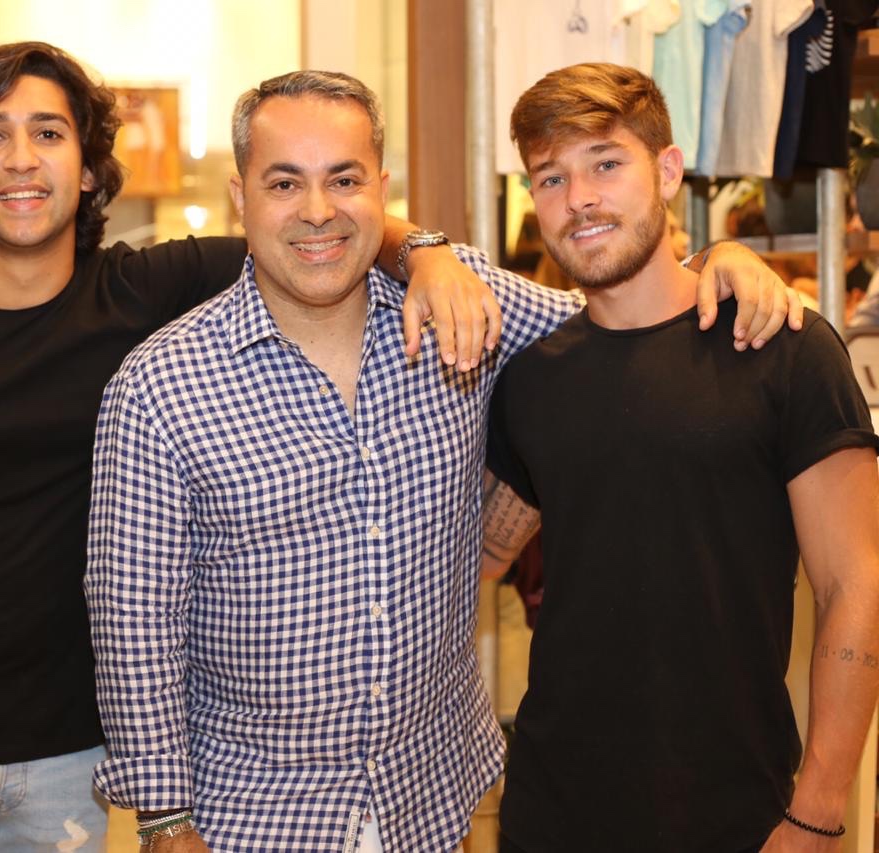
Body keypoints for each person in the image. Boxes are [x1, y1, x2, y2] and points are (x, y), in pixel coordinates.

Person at [83, 69, 801, 853]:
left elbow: (620, 315)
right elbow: (134, 624)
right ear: (240, 196)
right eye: (284, 183)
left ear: (382, 190)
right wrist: (165, 822)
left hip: (428, 801)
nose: (318, 210)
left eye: (344, 179)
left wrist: (719, 260)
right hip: (250, 817)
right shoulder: (160, 386)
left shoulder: (467, 313)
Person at [0, 40, 526, 853]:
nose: (21, 160)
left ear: (88, 167)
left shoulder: (147, 289)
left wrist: (429, 253)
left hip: (69, 747)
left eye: (48, 133)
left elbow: (317, 224)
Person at [482, 62, 879, 853]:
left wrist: (818, 808)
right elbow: (479, 562)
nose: (579, 198)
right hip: (549, 813)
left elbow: (857, 584)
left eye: (606, 163)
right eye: (551, 177)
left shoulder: (781, 347)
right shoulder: (529, 378)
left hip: (735, 815)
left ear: (667, 171)